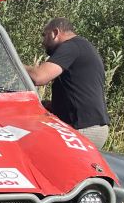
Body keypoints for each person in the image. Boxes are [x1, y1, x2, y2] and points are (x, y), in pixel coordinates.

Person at [24, 17, 111, 149]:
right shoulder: (82, 46)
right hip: (92, 127)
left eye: (44, 35)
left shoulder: (71, 46)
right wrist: (52, 106)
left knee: (34, 149)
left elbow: (39, 77)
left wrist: (14, 64)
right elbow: (80, 91)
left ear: (55, 33)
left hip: (83, 128)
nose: (42, 42)